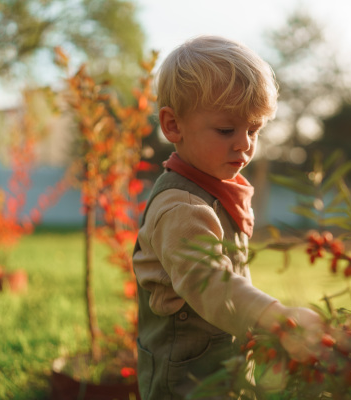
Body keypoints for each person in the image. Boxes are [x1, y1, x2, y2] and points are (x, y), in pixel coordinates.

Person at [133, 35, 323, 400]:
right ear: (173, 126)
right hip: (186, 383)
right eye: (226, 130)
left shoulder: (218, 189)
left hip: (222, 369)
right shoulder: (181, 208)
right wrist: (275, 316)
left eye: (254, 130)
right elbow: (209, 282)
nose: (245, 144)